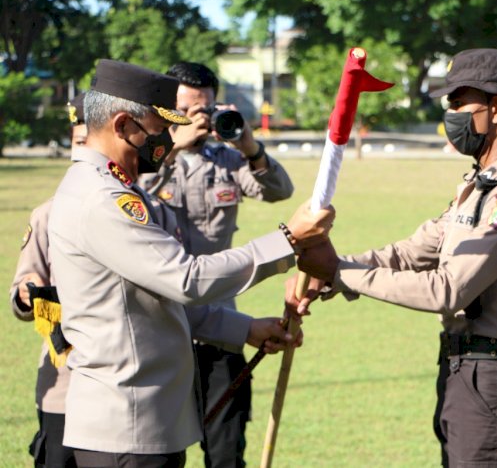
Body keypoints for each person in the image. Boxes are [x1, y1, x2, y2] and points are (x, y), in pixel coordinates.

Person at [46, 59, 334, 467]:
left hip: (145, 421)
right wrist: (288, 241)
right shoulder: (103, 199)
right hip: (127, 428)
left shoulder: (113, 188)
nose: (168, 136)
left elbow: (157, 299)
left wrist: (245, 328)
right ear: (125, 125)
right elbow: (185, 279)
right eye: (161, 126)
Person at [290, 48, 497, 467]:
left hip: (496, 377)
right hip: (461, 370)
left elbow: (448, 290)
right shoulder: (478, 186)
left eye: (458, 103)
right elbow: (412, 252)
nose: (451, 115)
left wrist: (340, 273)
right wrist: (330, 272)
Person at [138, 61, 294, 468]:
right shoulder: (145, 157)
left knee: (225, 451)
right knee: (157, 454)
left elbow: (280, 191)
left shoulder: (225, 159)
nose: (199, 117)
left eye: (205, 108)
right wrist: (171, 146)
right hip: (162, 328)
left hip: (222, 325)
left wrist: (249, 146)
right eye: (188, 109)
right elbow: (128, 194)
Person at [9, 92, 87, 468]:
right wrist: (26, 291)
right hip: (62, 384)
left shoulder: (142, 213)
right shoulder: (47, 215)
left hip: (124, 393)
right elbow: (24, 279)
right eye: (78, 142)